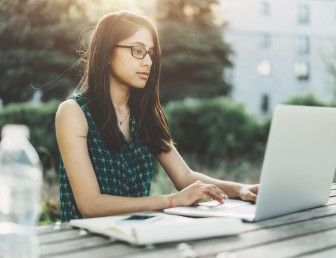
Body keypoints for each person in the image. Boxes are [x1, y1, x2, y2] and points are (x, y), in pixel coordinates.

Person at [55, 10, 259, 223]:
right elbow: (90, 205)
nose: (148, 62)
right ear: (107, 54)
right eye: (137, 50)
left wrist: (241, 189)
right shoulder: (73, 112)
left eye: (151, 53)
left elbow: (184, 178)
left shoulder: (144, 114)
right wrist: (172, 201)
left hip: (137, 239)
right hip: (84, 245)